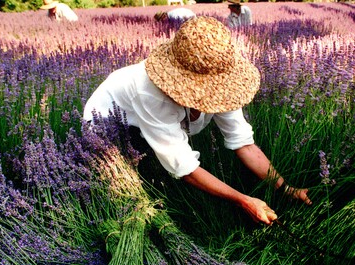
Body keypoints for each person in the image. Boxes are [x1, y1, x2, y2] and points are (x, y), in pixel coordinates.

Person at [83, 17, 311, 226]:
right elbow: (184, 167)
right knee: (127, 187)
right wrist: (243, 200)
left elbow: (245, 144)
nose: (208, 96)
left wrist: (286, 188)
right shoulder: (149, 93)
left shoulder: (223, 82)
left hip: (144, 119)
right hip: (108, 125)